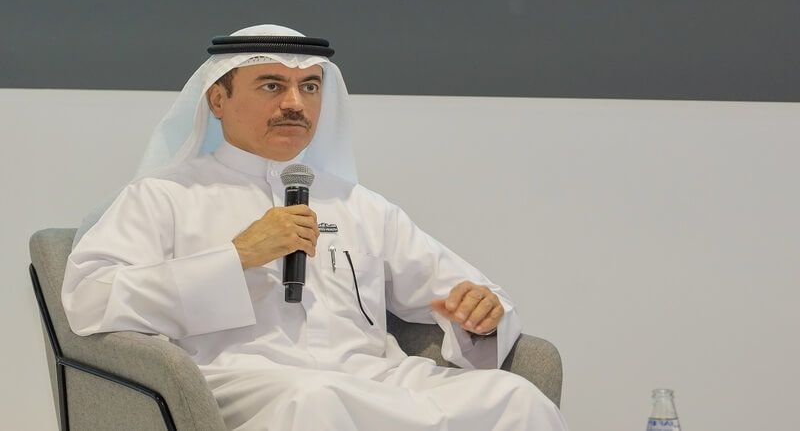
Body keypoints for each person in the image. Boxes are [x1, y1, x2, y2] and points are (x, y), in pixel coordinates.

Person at [62, 24, 569, 430]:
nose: (295, 104)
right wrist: (236, 257)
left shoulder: (358, 204)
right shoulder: (163, 196)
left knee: (516, 397)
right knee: (316, 398)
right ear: (218, 100)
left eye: (309, 87)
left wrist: (481, 314)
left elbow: (457, 292)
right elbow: (89, 298)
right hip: (245, 381)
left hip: (373, 377)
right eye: (272, 86)